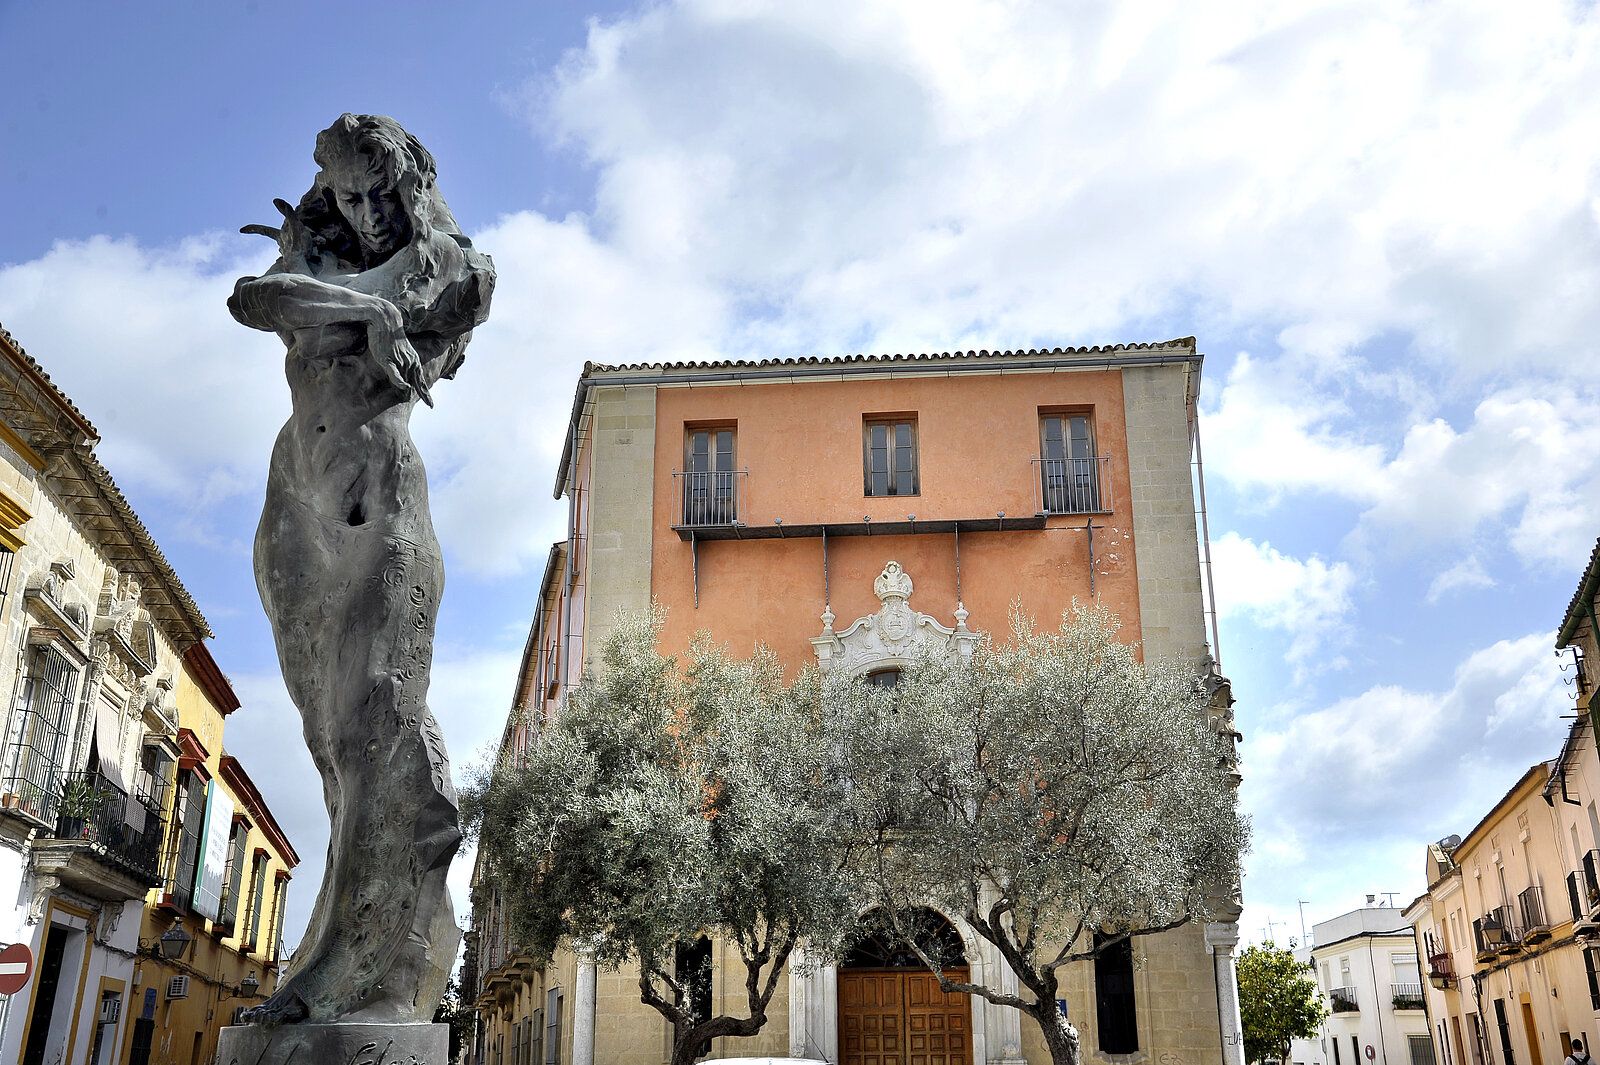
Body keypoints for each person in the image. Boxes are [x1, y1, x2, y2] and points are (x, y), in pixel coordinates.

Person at [228, 113, 495, 1026]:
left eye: (384, 190)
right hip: (296, 505)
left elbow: (436, 307)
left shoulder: (451, 268)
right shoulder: (321, 264)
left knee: (369, 730)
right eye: (350, 192)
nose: (370, 208)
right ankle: (338, 957)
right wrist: (366, 311)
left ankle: (351, 970)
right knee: (330, 750)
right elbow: (253, 300)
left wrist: (369, 302)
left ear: (412, 187)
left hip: (378, 507)